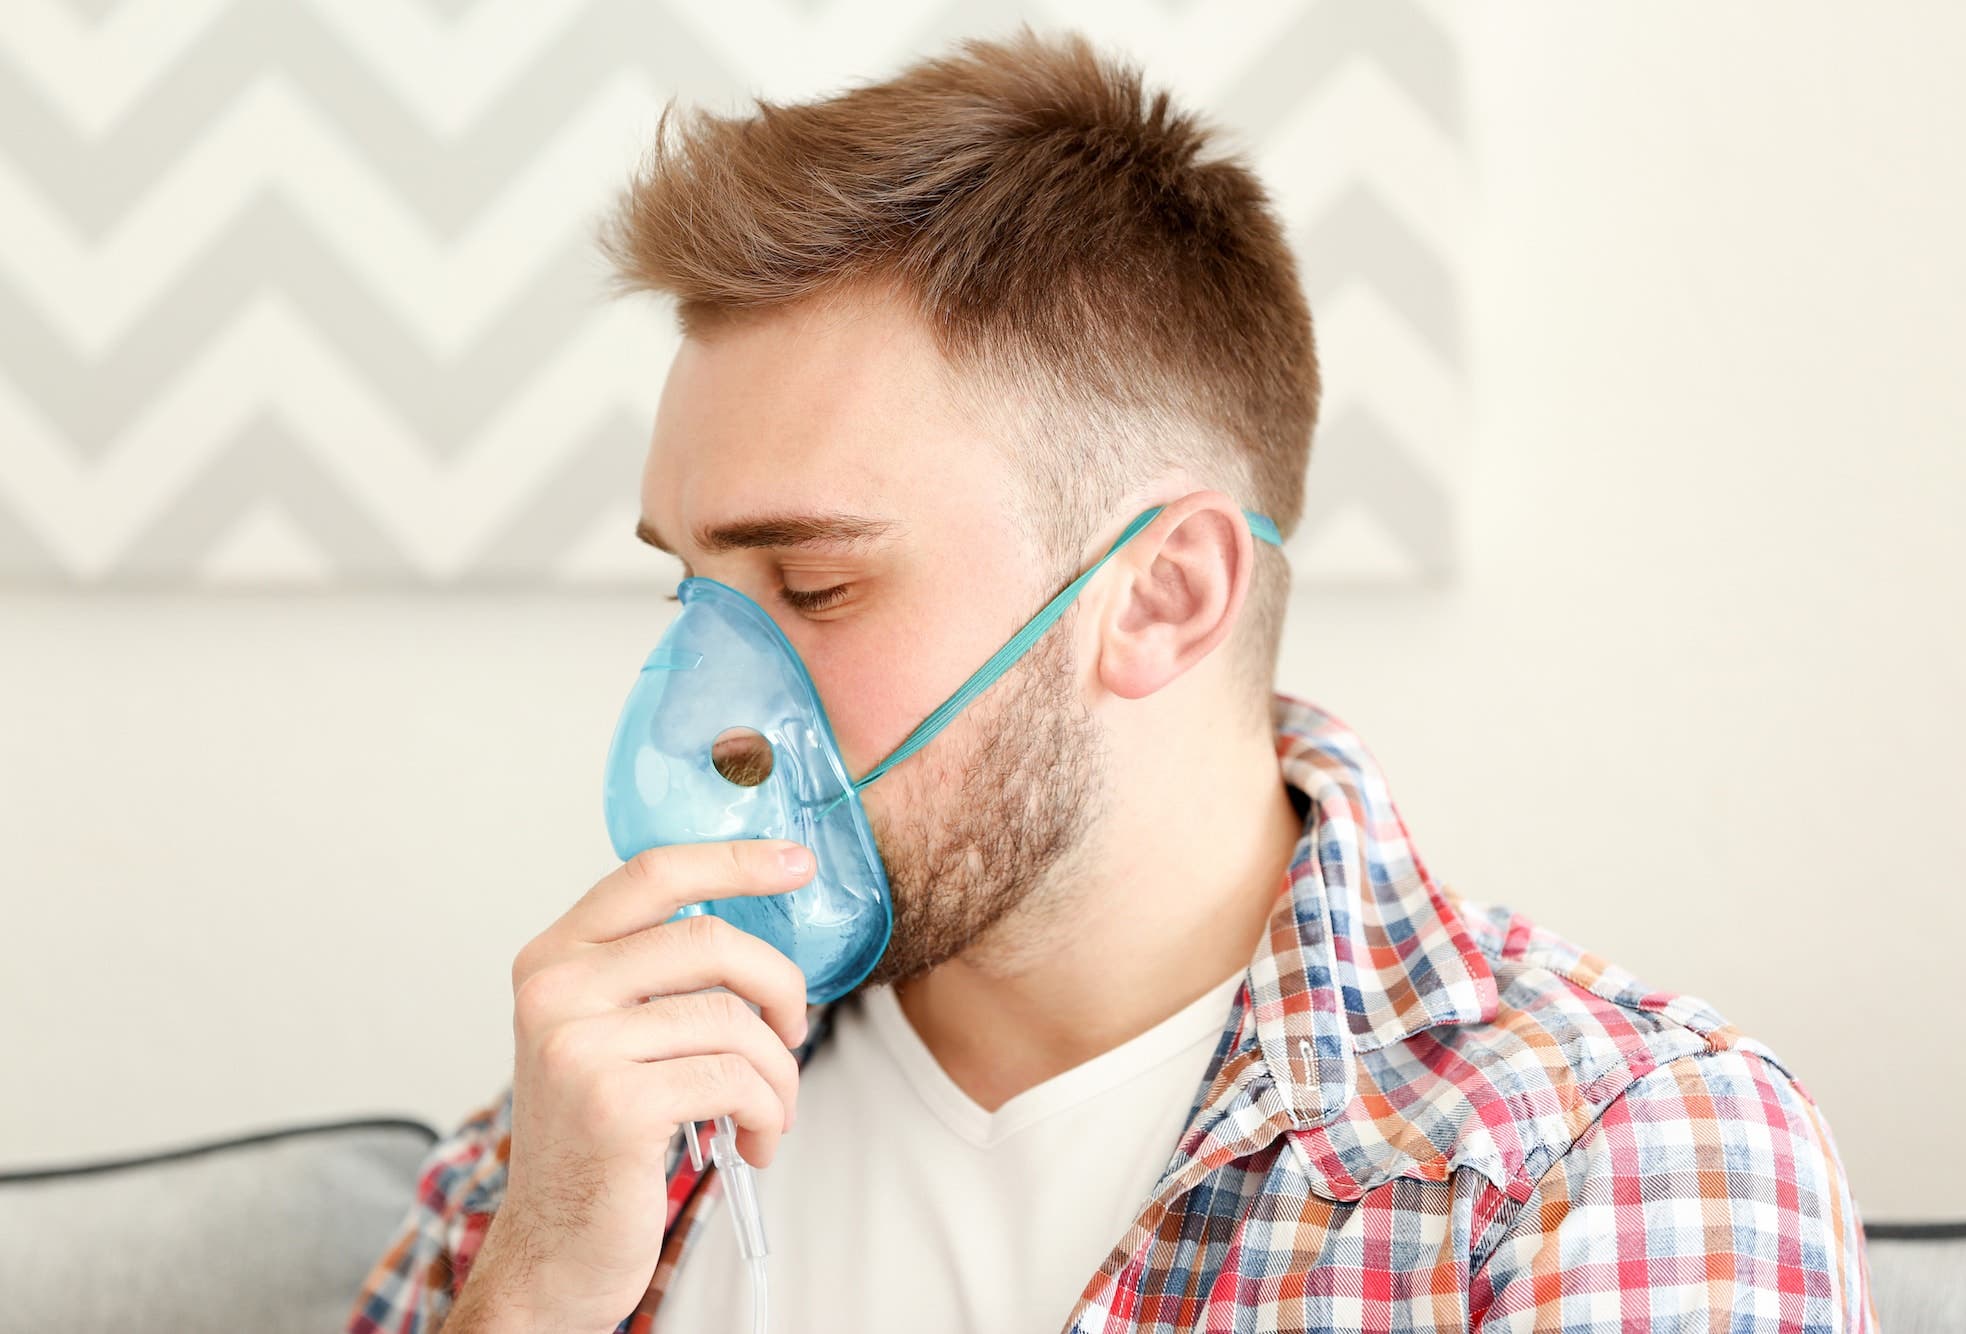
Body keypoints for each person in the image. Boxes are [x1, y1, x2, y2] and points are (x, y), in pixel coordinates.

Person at [346, 25, 1878, 1334]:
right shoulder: (597, 1130)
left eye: (813, 585)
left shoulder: (1607, 1164)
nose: (708, 709)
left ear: (1161, 595)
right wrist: (535, 1285)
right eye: (692, 589)